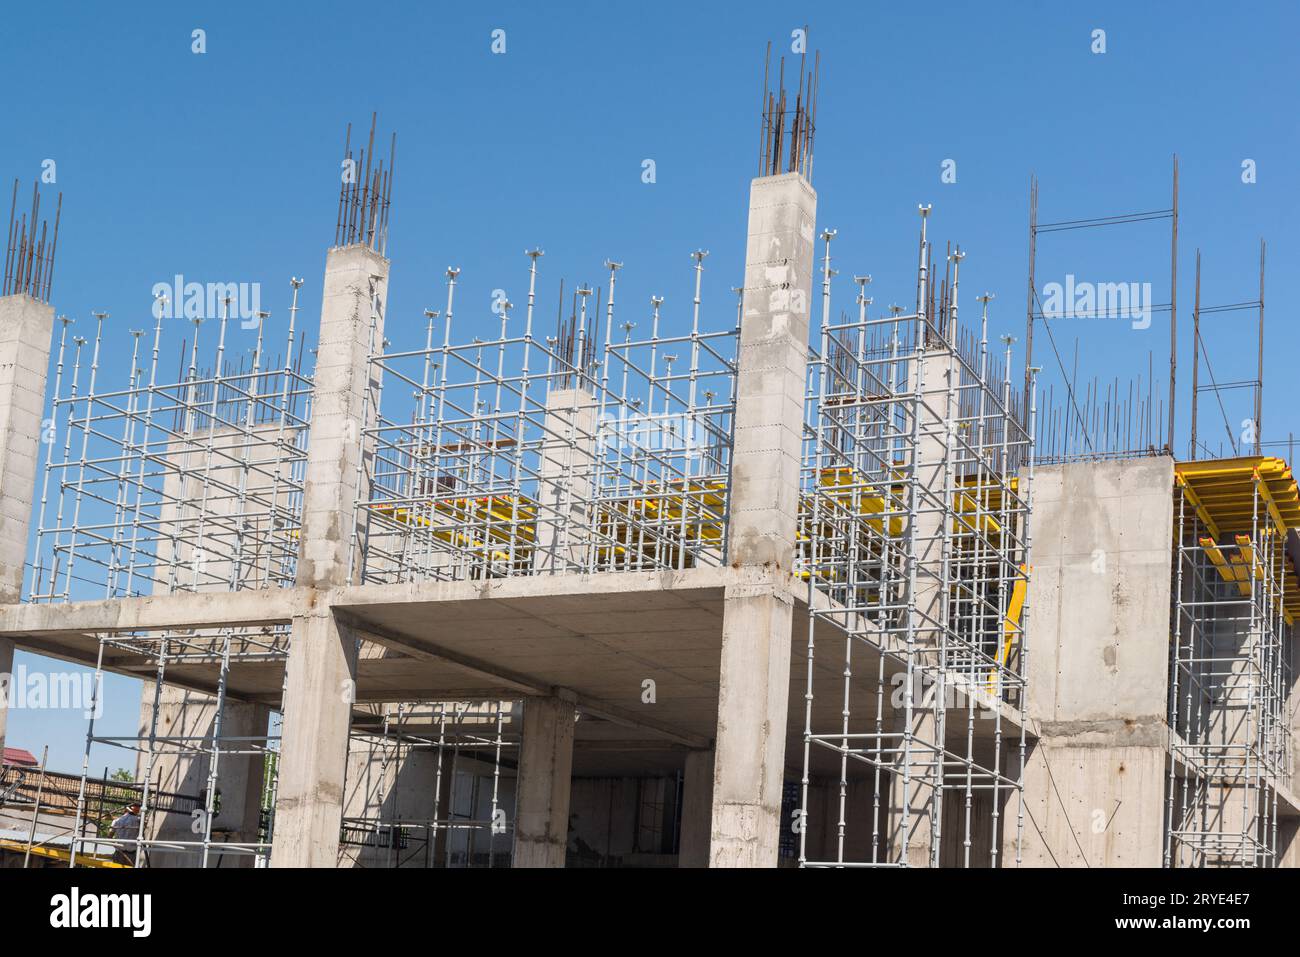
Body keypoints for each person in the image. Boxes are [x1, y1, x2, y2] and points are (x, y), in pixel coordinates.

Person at [110, 802, 141, 866]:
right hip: (131, 854)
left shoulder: (116, 821)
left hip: (119, 853)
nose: (137, 812)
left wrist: (116, 845)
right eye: (137, 811)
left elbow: (109, 836)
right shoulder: (138, 821)